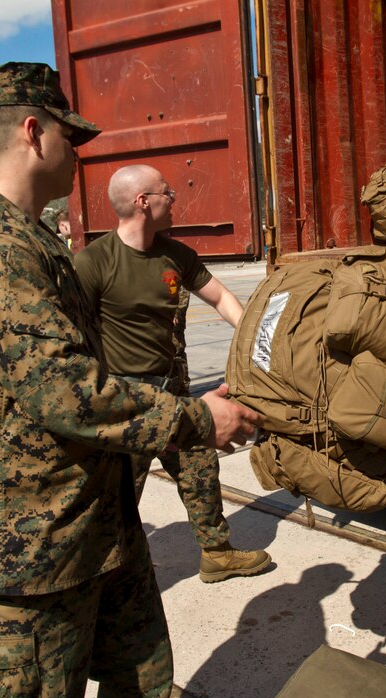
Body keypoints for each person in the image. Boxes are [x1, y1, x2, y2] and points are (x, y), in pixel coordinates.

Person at [0, 62, 260, 698]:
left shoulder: (29, 238)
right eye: (72, 136)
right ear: (33, 132)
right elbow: (66, 392)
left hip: (91, 529)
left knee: (144, 685)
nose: (79, 152)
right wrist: (195, 418)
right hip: (23, 556)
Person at [73, 165, 272, 583]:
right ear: (143, 202)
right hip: (129, 402)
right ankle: (100, 580)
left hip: (176, 392)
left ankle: (217, 553)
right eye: (168, 192)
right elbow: (73, 334)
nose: (175, 198)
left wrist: (258, 341)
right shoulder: (94, 263)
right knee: (119, 495)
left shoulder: (175, 254)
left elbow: (219, 297)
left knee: (201, 471)